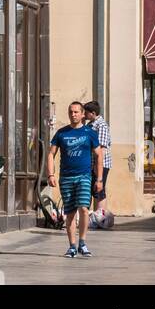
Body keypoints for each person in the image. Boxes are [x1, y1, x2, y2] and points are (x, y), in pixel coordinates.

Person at [47, 100, 104, 258]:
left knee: (84, 209)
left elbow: (99, 155)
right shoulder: (61, 133)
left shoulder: (89, 133)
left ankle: (83, 243)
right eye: (71, 112)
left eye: (76, 112)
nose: (73, 114)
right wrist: (51, 174)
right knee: (70, 213)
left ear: (82, 114)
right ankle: (72, 246)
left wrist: (99, 179)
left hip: (84, 176)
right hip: (66, 177)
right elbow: (51, 154)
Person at [83, 100, 112, 211]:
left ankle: (101, 216)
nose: (85, 115)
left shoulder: (101, 125)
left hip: (101, 164)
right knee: (90, 189)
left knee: (99, 189)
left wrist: (97, 166)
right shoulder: (90, 124)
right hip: (91, 163)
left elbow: (102, 149)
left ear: (93, 113)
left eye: (86, 113)